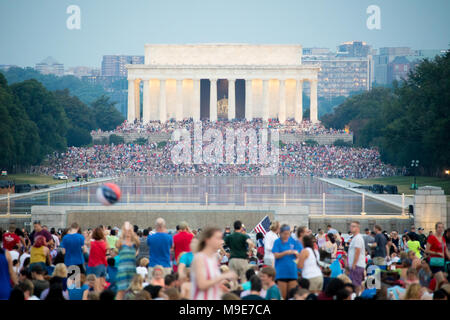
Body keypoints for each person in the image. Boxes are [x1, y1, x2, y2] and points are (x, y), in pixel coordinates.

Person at [191, 227, 237, 300]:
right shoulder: (200, 258)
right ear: (208, 240)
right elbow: (201, 284)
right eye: (218, 238)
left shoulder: (212, 258)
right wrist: (223, 276)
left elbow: (213, 283)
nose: (222, 241)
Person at [272, 224, 302, 300]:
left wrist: (297, 255)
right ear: (280, 233)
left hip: (292, 272)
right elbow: (276, 255)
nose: (286, 235)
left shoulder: (294, 241)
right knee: (283, 296)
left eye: (288, 233)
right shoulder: (277, 242)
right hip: (281, 273)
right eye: (285, 233)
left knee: (292, 296)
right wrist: (286, 252)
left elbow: (299, 255)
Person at [115, 221, 140, 300]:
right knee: (121, 291)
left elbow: (137, 242)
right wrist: (126, 227)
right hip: (122, 270)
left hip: (132, 269)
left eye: (129, 230)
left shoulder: (134, 242)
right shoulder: (120, 242)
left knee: (133, 291)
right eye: (126, 230)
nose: (128, 232)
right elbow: (117, 244)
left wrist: (131, 232)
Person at [348, 221, 366, 295]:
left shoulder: (358, 238)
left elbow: (357, 251)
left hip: (357, 265)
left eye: (354, 226)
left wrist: (354, 264)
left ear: (358, 228)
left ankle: (357, 296)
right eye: (351, 226)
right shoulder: (355, 238)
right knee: (356, 283)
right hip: (355, 264)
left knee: (356, 284)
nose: (351, 227)